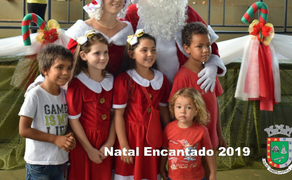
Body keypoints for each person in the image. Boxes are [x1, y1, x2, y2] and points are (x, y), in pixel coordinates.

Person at [126, 0, 226, 91]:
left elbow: (207, 40)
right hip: (148, 85)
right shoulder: (134, 13)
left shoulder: (185, 11)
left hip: (186, 83)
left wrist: (212, 65)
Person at [169, 22, 226, 177]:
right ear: (187, 48)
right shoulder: (182, 77)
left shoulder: (210, 73)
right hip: (190, 143)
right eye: (199, 46)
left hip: (211, 139)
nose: (205, 50)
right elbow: (174, 110)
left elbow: (215, 105)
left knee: (211, 174)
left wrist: (219, 134)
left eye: (208, 45)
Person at [113, 30, 171, 180]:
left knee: (150, 173)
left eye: (153, 50)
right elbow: (118, 115)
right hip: (131, 137)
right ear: (132, 54)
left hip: (154, 136)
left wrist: (171, 134)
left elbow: (163, 110)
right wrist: (124, 146)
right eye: (144, 50)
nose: (150, 54)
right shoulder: (124, 80)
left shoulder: (161, 79)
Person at [18, 44, 76, 180]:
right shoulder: (35, 95)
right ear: (45, 70)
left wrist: (69, 138)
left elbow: (67, 124)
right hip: (39, 163)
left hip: (61, 161)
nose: (66, 73)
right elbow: (23, 130)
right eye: (60, 67)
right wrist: (55, 139)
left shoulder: (66, 94)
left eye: (69, 68)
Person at [66, 31, 115, 180]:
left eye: (105, 52)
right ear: (83, 56)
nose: (103, 57)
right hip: (84, 143)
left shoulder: (111, 80)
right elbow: (74, 120)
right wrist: (89, 149)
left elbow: (115, 115)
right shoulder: (77, 85)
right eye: (97, 53)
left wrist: (110, 143)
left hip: (105, 143)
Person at [65, 0, 133, 76]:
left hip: (119, 88)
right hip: (88, 87)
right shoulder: (82, 29)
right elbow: (68, 63)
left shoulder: (127, 29)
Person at [160, 88, 216, 180]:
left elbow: (208, 152)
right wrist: (161, 168)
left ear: (196, 110)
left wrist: (212, 173)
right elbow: (165, 150)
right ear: (173, 108)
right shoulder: (168, 129)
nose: (183, 111)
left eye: (188, 107)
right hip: (173, 177)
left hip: (197, 177)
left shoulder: (202, 130)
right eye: (179, 107)